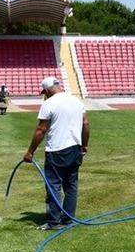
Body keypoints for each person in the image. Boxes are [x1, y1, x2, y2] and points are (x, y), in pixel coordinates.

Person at [24, 77, 89, 231]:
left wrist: (30, 152)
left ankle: (54, 222)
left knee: (53, 186)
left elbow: (41, 129)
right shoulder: (76, 100)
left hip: (56, 150)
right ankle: (68, 220)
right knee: (71, 185)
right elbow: (86, 123)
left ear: (46, 90)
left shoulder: (49, 104)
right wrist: (84, 145)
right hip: (75, 148)